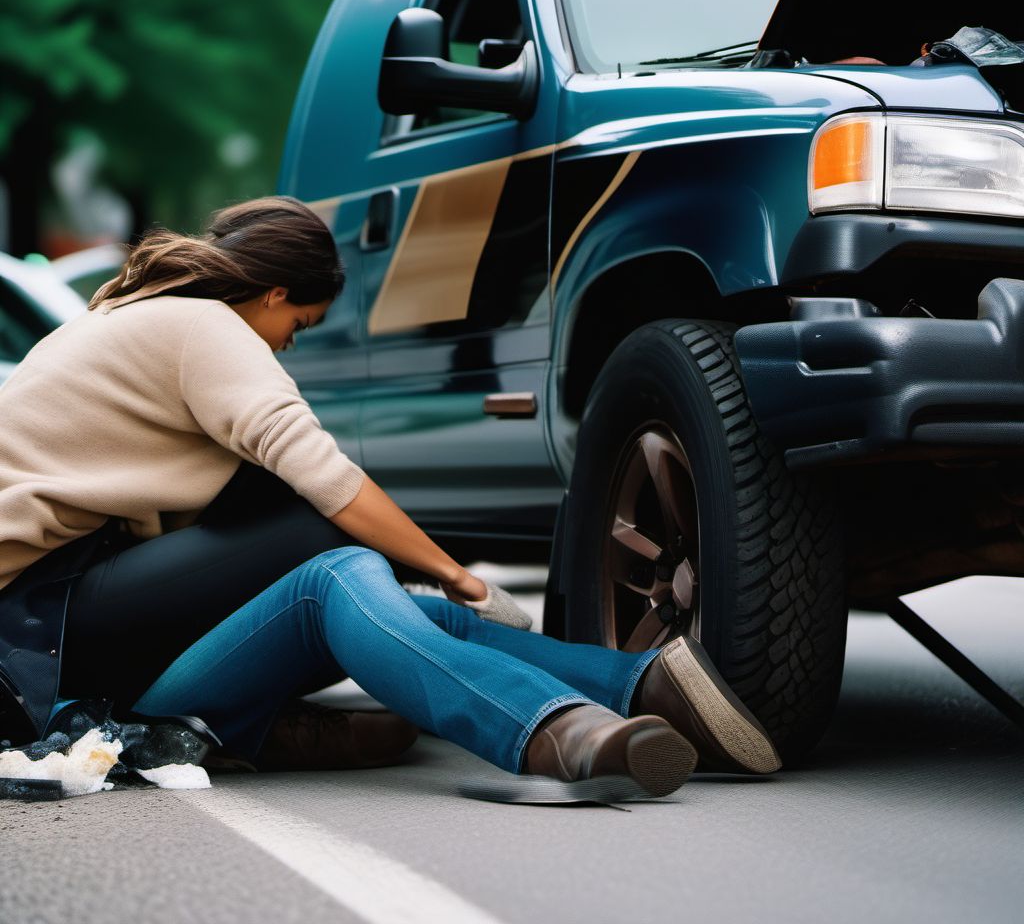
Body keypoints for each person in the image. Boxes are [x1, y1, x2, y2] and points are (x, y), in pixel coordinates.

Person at [0, 196, 781, 801]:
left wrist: (434, 588)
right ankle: (555, 733)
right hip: (45, 641)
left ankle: (627, 688)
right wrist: (464, 578)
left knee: (381, 598)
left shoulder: (130, 319)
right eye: (297, 327)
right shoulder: (200, 328)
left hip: (83, 636)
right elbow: (325, 478)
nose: (286, 346)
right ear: (272, 295)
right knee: (327, 551)